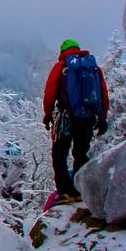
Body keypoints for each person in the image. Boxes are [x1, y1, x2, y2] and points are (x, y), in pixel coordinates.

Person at [41, 38, 109, 202]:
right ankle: (81, 190)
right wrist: (102, 118)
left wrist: (48, 113)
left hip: (66, 117)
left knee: (59, 154)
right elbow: (103, 94)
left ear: (62, 51)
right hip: (87, 118)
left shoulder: (61, 67)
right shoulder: (93, 68)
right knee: (81, 153)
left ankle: (65, 191)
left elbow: (49, 92)